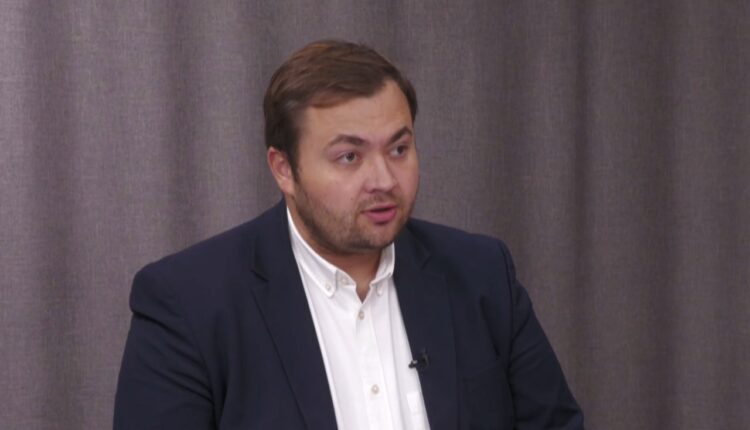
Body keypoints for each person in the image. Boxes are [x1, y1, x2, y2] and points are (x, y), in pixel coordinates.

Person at [114, 39, 584, 430]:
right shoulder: (188, 303)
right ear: (284, 169)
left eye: (399, 149)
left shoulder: (481, 274)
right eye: (349, 157)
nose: (384, 180)